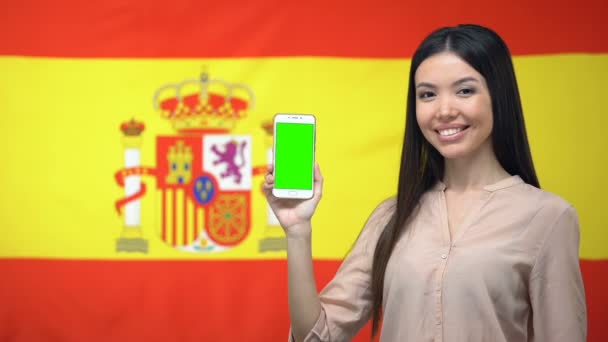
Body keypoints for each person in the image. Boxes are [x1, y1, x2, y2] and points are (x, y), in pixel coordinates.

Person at [263, 24, 587, 342]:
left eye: (465, 90)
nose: (444, 110)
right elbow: (316, 337)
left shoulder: (549, 217)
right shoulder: (391, 216)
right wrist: (297, 232)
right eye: (427, 94)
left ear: (497, 95)